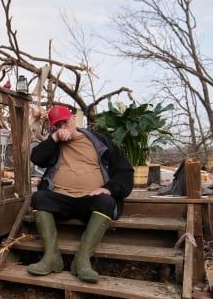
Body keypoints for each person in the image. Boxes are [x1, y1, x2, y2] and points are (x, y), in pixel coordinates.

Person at [27, 105, 134, 283]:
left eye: (65, 122)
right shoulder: (54, 144)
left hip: (90, 200)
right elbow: (37, 158)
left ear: (73, 119)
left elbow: (125, 171)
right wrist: (54, 138)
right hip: (61, 198)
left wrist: (109, 188)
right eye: (58, 125)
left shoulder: (100, 142)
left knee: (106, 202)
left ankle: (82, 259)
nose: (63, 127)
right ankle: (51, 257)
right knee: (39, 198)